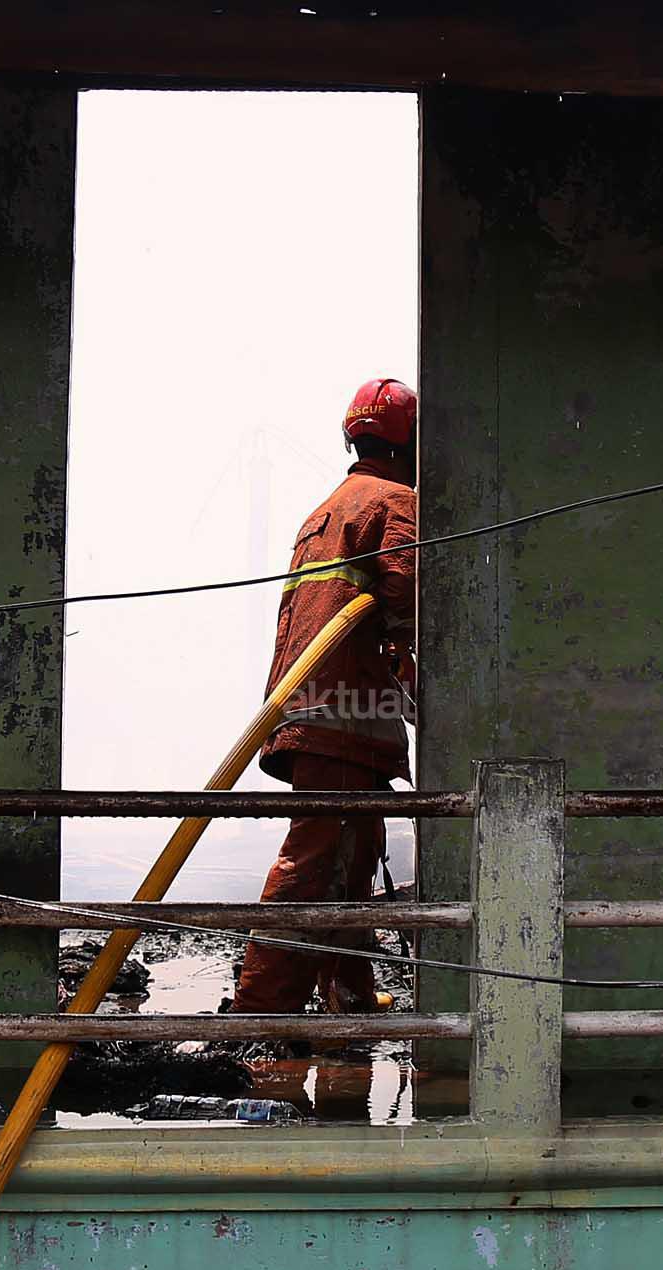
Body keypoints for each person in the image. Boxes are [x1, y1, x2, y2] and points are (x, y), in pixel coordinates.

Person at [230, 377, 419, 1016]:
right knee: (314, 865)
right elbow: (406, 598)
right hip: (346, 716)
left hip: (310, 709)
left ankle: (349, 995)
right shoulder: (395, 501)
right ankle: (260, 1015)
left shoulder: (326, 511)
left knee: (352, 855)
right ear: (411, 442)